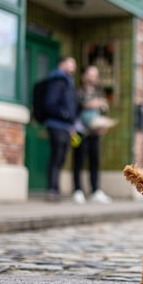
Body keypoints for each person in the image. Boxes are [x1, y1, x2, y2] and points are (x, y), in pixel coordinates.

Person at [72, 65, 114, 204]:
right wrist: (90, 105)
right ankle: (77, 190)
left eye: (95, 75)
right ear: (84, 76)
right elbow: (74, 107)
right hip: (80, 131)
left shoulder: (99, 92)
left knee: (94, 161)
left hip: (95, 132)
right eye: (91, 74)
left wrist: (103, 125)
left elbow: (104, 109)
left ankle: (95, 190)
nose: (93, 77)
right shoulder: (77, 91)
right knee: (78, 160)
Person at [43, 56, 77, 201]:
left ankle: (55, 188)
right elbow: (50, 103)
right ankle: (51, 189)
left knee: (61, 157)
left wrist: (71, 124)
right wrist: (65, 114)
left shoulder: (68, 82)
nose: (73, 66)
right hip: (55, 124)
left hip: (65, 126)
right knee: (56, 156)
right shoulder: (57, 80)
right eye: (71, 62)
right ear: (61, 64)